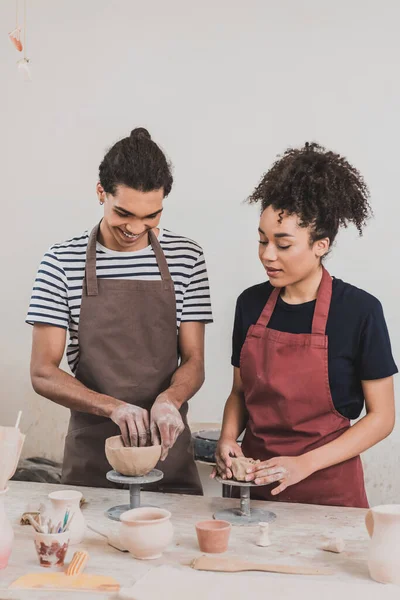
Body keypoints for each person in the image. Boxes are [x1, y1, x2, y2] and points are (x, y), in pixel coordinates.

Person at [27, 127, 213, 493]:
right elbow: (43, 372)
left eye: (151, 216)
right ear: (101, 192)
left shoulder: (186, 258)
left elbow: (194, 361)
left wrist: (168, 401)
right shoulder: (61, 261)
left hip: (166, 449)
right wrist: (113, 407)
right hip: (94, 454)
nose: (136, 228)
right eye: (124, 213)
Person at [213, 142, 397, 507]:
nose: (267, 255)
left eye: (283, 245)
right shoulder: (249, 304)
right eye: (262, 241)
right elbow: (239, 393)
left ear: (321, 245)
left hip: (328, 493)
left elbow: (383, 417)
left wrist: (304, 464)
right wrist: (228, 438)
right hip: (252, 492)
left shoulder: (359, 311)